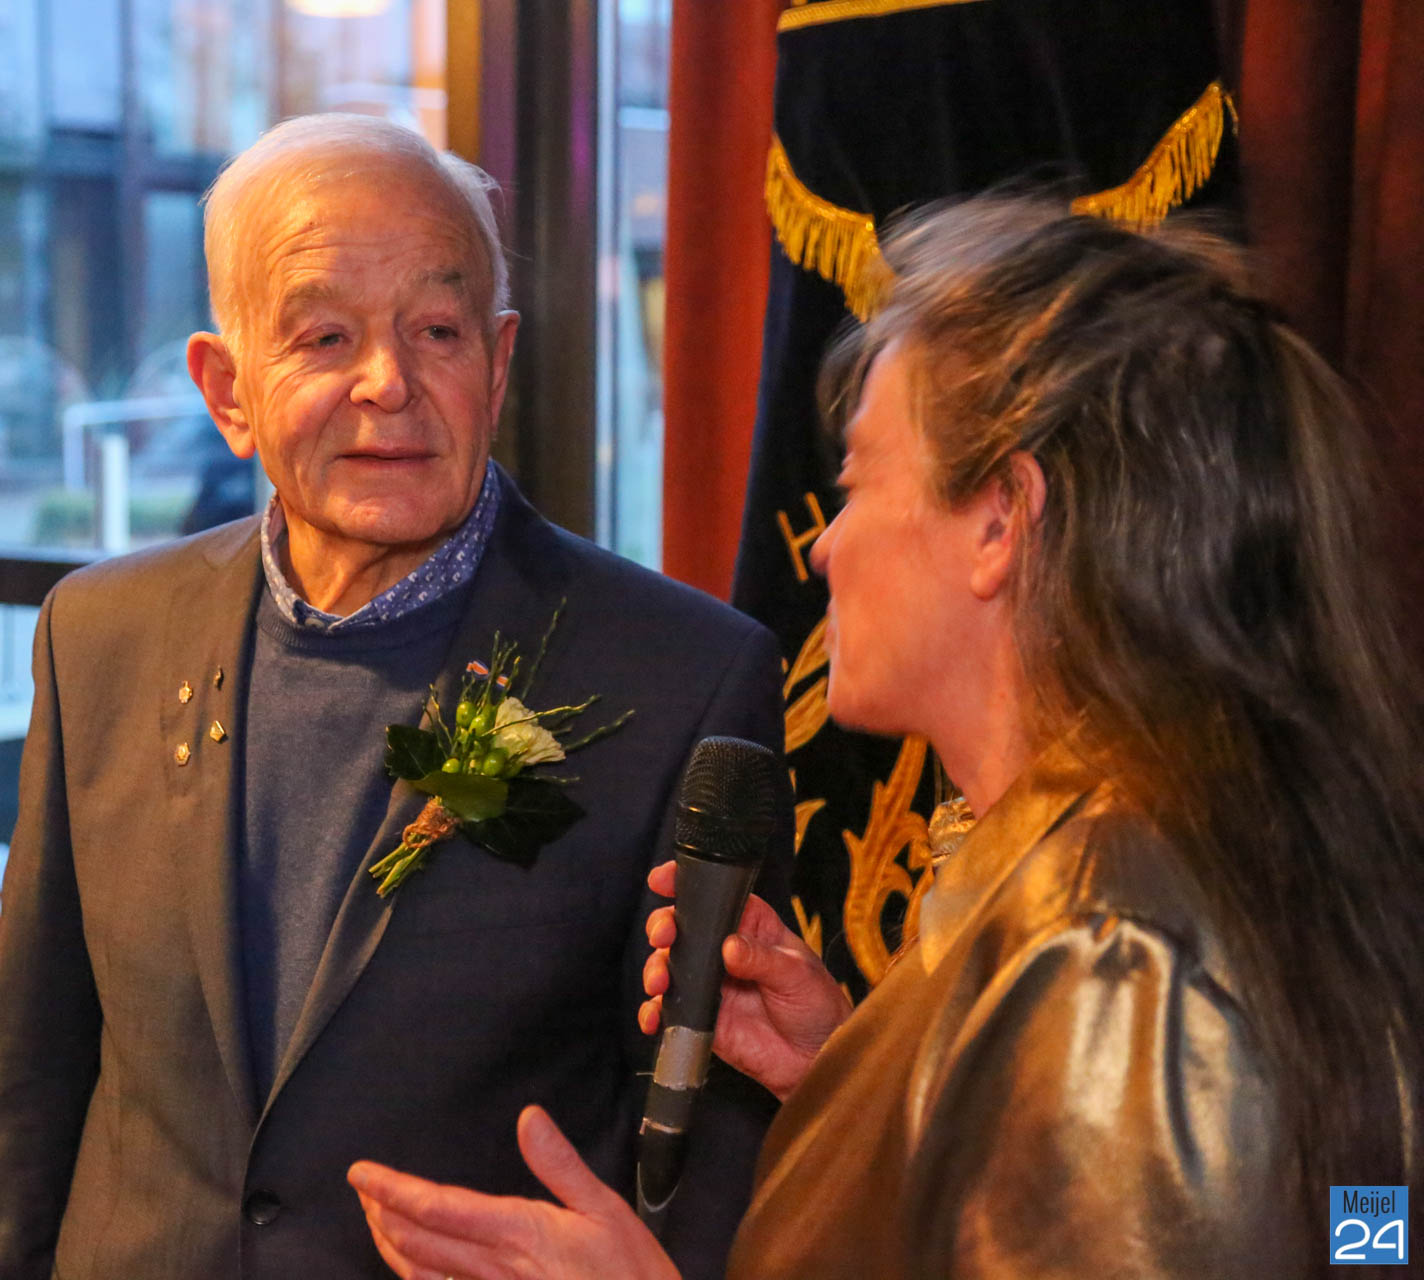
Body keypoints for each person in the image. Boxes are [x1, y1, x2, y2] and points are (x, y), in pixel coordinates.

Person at [348, 197, 1424, 1278]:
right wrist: (862, 1072)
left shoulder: (1116, 948)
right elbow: (1362, 1231)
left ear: (1000, 522)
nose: (827, 547)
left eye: (857, 483)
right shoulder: (1166, 857)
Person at [0, 114, 789, 1280]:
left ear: (497, 362)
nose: (389, 383)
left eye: (437, 330)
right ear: (228, 389)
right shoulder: (97, 637)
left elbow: (707, 1151)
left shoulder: (680, 676)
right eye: (326, 336)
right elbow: (31, 1081)